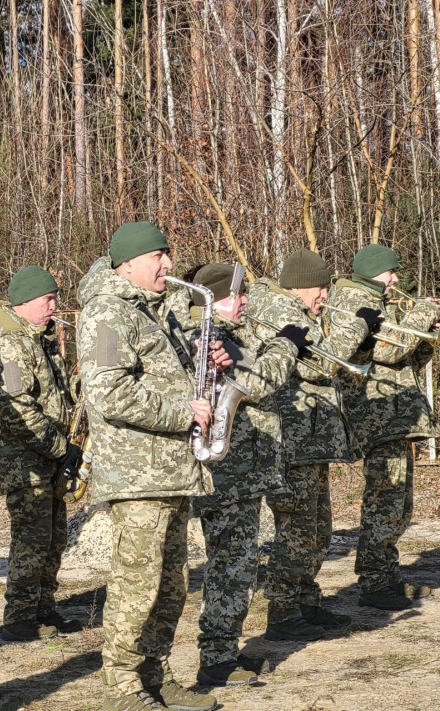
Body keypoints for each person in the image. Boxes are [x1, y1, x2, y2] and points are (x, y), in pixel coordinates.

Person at [77, 222, 225, 711]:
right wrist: (183, 413)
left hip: (172, 470)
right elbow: (108, 392)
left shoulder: (152, 310)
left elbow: (169, 378)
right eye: (158, 256)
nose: (168, 265)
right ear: (128, 263)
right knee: (136, 585)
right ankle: (120, 686)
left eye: (169, 255)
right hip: (137, 475)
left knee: (170, 584)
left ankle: (156, 674)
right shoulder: (106, 313)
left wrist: (212, 366)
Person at [186, 264, 306, 687]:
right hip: (226, 473)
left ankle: (222, 651)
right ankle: (216, 657)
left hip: (241, 471)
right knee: (231, 565)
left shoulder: (227, 333)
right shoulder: (205, 336)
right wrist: (285, 345)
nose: (245, 303)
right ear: (215, 298)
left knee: (236, 565)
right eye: (237, 296)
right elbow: (261, 381)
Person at [246, 249, 369, 641]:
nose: (325, 297)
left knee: (317, 529)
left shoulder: (296, 313)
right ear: (301, 287)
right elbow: (322, 363)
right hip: (293, 441)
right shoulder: (283, 316)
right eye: (321, 288)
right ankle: (282, 609)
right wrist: (358, 327)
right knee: (297, 528)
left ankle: (304, 599)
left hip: (310, 439)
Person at [325, 244, 440, 610]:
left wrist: (427, 337)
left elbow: (405, 357)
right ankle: (373, 582)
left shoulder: (380, 301)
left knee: (399, 503)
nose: (395, 279)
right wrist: (420, 314)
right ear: (374, 271)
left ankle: (388, 575)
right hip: (376, 413)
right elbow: (388, 351)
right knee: (384, 500)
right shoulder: (355, 303)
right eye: (390, 272)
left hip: (396, 412)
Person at [0, 265, 82, 642]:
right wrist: (60, 447)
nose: (54, 306)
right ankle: (19, 616)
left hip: (49, 456)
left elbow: (57, 391)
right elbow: (18, 407)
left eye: (55, 298)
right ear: (23, 303)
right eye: (47, 300)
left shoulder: (41, 337)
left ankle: (44, 608)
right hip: (25, 459)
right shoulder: (8, 343)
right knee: (32, 537)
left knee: (53, 536)